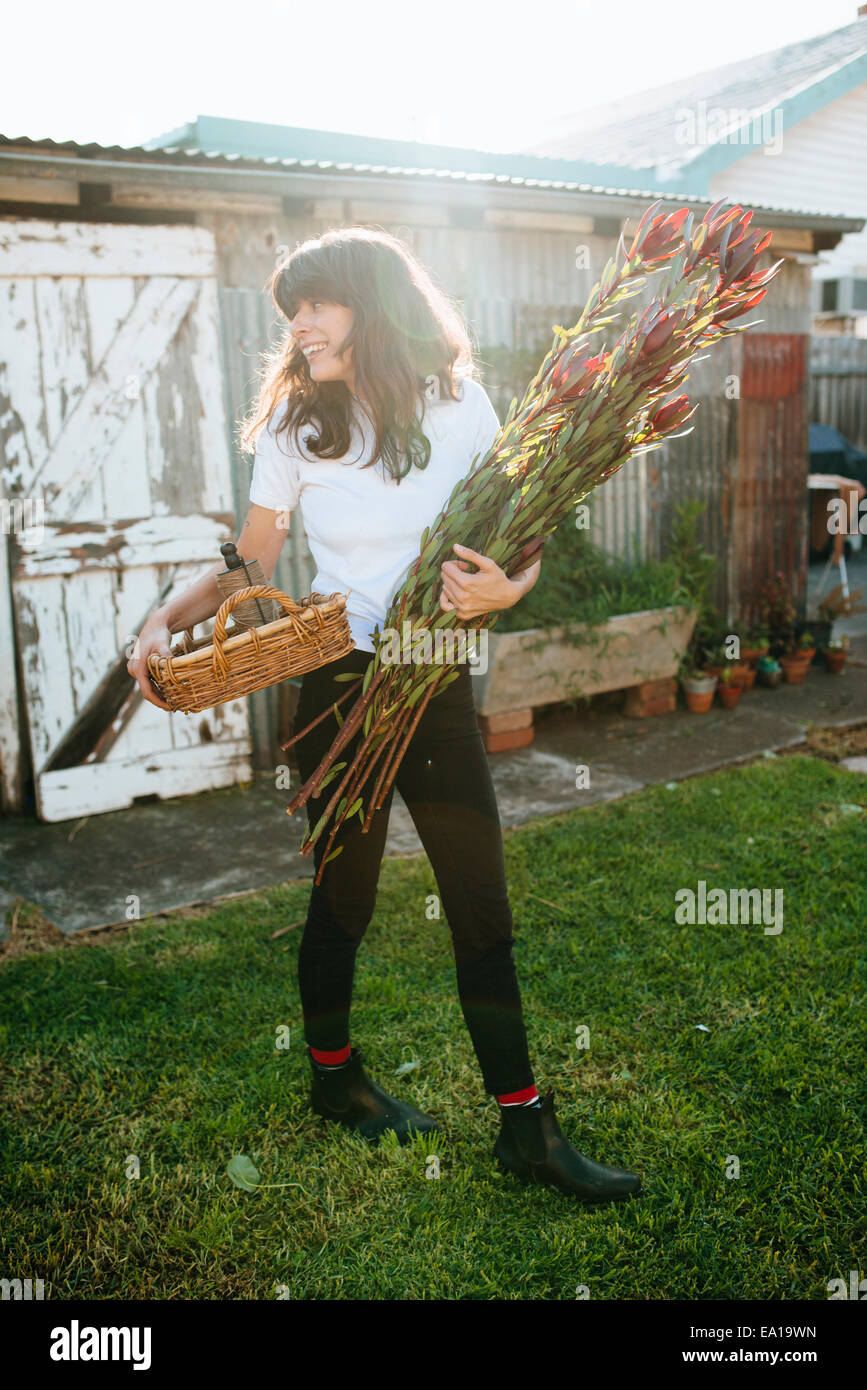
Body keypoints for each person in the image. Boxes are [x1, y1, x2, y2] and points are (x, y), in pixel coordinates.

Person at [128, 227, 641, 1204]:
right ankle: (335, 1080)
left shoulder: (461, 405)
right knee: (345, 898)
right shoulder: (293, 426)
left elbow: (518, 537)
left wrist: (506, 593)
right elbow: (252, 563)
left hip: (433, 676)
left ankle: (526, 1126)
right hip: (336, 684)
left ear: (371, 299)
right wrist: (166, 615)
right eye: (292, 313)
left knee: (480, 901)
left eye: (316, 303)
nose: (301, 326)